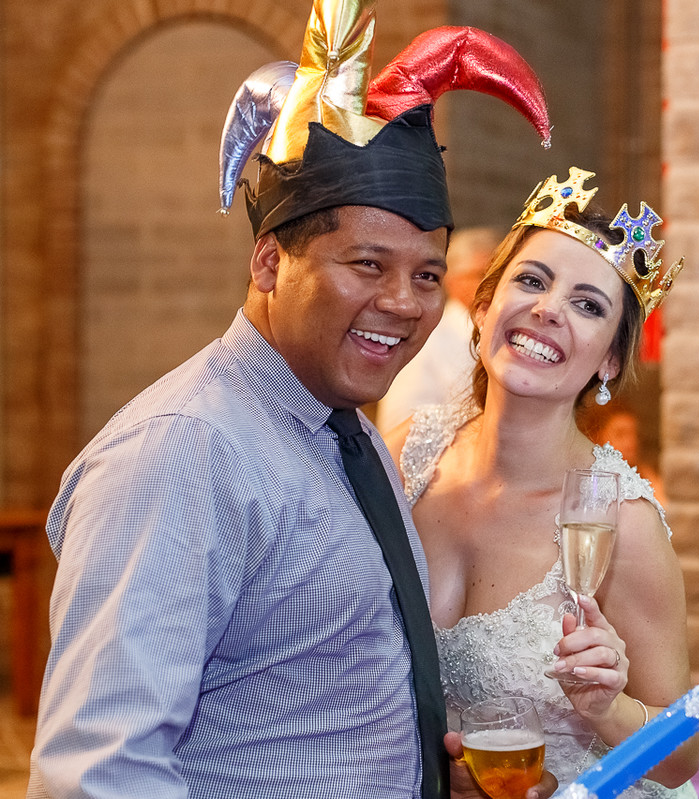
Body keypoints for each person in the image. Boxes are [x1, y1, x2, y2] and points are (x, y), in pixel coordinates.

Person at [26, 3, 554, 797]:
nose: (405, 303)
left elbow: (315, 703)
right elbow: (98, 774)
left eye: (426, 274)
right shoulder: (184, 451)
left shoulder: (348, 433)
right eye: (367, 264)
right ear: (270, 262)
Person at [384, 166, 698, 798]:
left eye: (588, 305)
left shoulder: (619, 520)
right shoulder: (406, 455)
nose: (549, 310)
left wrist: (607, 706)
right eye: (531, 281)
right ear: (482, 306)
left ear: (609, 358)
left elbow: (681, 754)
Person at [375, 226, 502, 431]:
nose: (495, 284)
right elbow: (400, 427)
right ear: (453, 281)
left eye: (500, 275)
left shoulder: (506, 336)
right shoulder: (426, 339)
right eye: (483, 275)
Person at [581, 400, 667, 503]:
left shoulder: (645, 475)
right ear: (596, 437)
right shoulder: (588, 480)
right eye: (620, 435)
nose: (630, 443)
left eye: (634, 434)